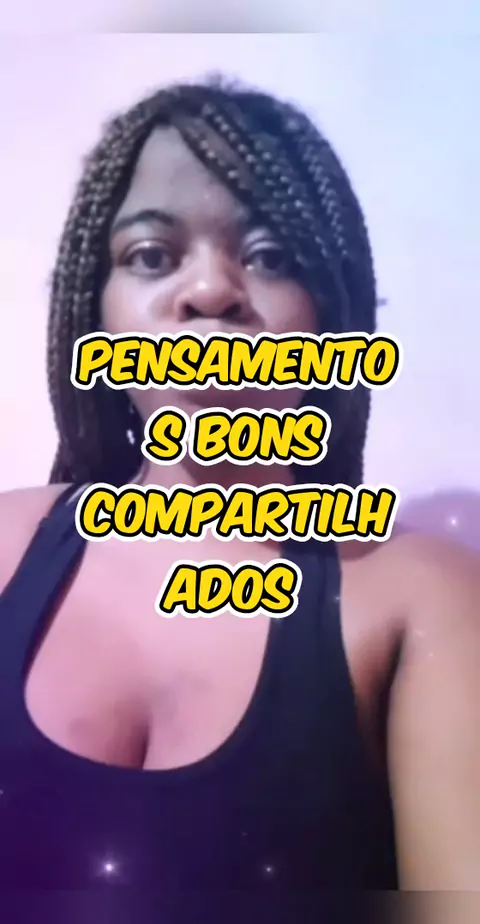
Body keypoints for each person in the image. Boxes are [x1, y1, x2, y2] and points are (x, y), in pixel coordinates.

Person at [0, 75, 478, 912]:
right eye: (152, 255)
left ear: (331, 316)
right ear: (95, 312)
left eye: (270, 256)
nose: (210, 292)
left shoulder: (422, 600)